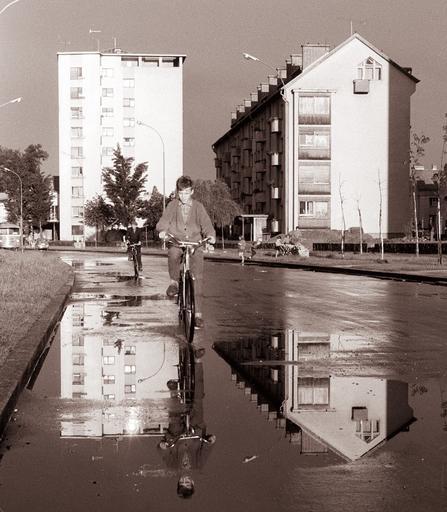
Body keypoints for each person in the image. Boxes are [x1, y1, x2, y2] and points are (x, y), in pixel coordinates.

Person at [156, 176, 216, 328]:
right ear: (177, 192)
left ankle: (198, 315)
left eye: (187, 193)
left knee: (198, 277)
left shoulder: (198, 207)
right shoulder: (172, 205)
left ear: (192, 191)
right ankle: (174, 282)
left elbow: (206, 224)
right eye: (181, 193)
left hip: (195, 242)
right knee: (173, 253)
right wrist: (162, 230)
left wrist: (210, 235)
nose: (183, 196)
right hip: (176, 240)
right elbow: (164, 221)